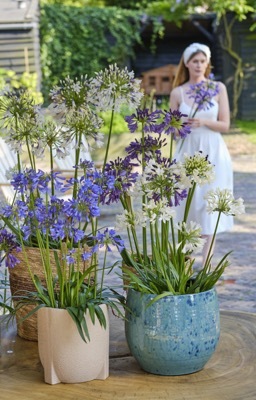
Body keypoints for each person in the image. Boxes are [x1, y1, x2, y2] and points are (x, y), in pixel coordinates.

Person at [170, 42, 233, 265]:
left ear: (207, 63)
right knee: (187, 206)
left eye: (202, 61)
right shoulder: (178, 92)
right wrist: (181, 126)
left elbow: (225, 125)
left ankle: (207, 264)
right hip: (187, 152)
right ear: (186, 63)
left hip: (213, 152)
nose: (198, 65)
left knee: (209, 206)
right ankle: (183, 261)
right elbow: (173, 131)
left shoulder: (218, 88)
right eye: (194, 61)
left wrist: (203, 121)